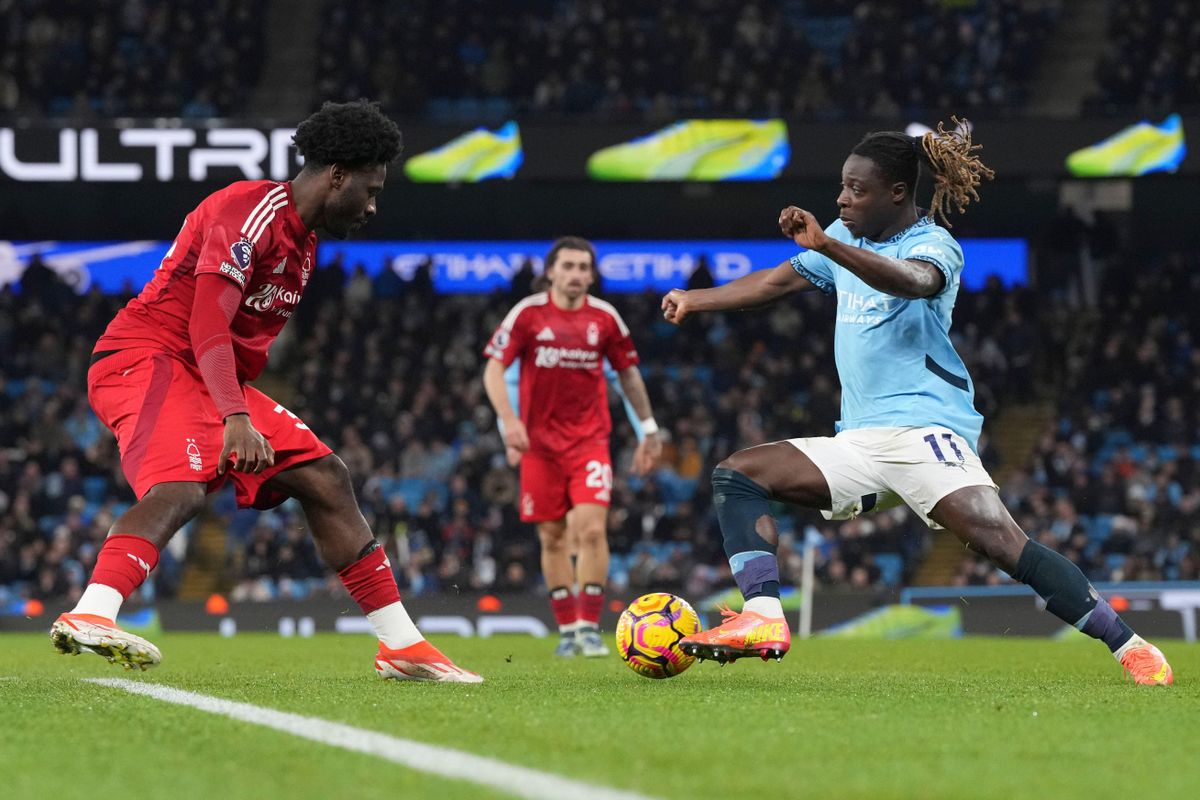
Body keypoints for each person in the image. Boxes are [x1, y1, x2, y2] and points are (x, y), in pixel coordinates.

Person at [660, 119, 1173, 685]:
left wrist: (828, 242)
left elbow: (912, 282)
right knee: (738, 475)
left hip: (926, 431)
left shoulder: (932, 245)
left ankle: (1129, 645)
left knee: (1003, 544)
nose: (842, 198)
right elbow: (775, 283)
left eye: (857, 189)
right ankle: (762, 615)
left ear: (896, 194)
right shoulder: (842, 236)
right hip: (859, 438)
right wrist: (694, 298)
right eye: (842, 186)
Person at [50, 100, 481, 683]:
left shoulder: (303, 246)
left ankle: (401, 646)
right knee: (180, 487)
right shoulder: (248, 210)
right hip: (146, 358)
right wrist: (234, 416)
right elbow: (206, 325)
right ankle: (91, 613)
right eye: (371, 189)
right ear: (336, 176)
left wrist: (233, 407)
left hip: (208, 376)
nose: (374, 206)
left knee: (326, 476)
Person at [483, 237, 662, 657]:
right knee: (552, 536)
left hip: (589, 442)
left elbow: (629, 376)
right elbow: (494, 370)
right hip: (539, 447)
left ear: (591, 275)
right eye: (568, 266)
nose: (577, 274)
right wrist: (508, 422)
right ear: (551, 271)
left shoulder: (605, 318)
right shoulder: (527, 314)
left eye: (584, 267)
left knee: (592, 529)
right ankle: (566, 630)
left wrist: (649, 429)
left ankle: (587, 627)